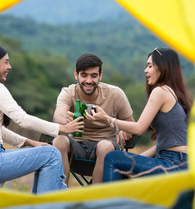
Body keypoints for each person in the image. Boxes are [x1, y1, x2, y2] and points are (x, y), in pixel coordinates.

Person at [0, 43, 84, 194]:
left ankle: (46, 201)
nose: (10, 66)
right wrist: (61, 129)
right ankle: (51, 203)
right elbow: (22, 119)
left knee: (46, 152)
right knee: (52, 155)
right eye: (6, 62)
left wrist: (31, 143)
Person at [85, 48, 192, 182]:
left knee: (113, 158)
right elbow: (161, 145)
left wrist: (107, 118)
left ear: (163, 67)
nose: (145, 70)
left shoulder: (160, 92)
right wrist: (133, 161)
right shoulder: (174, 93)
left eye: (150, 66)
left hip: (172, 163)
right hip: (180, 162)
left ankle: (108, 202)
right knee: (120, 164)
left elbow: (139, 128)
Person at [52, 53, 135, 185]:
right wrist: (64, 118)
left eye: (94, 76)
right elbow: (58, 115)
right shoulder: (68, 92)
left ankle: (94, 200)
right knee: (59, 140)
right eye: (84, 75)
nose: (89, 81)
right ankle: (60, 196)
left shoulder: (115, 94)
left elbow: (132, 126)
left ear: (100, 76)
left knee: (105, 145)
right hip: (75, 152)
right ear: (76, 75)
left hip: (106, 151)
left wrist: (122, 130)